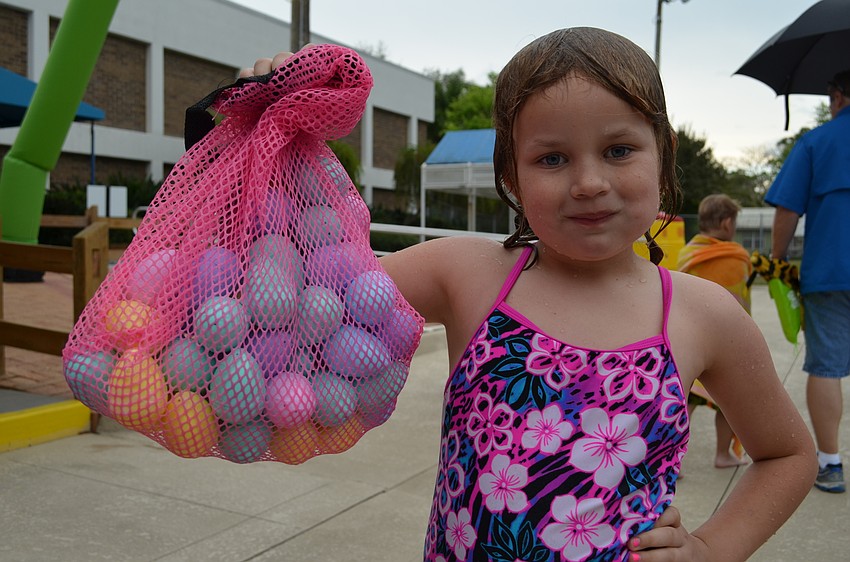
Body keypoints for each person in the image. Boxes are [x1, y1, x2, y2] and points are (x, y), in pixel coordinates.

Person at [242, 27, 816, 561]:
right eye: (552, 158)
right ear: (511, 175)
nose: (589, 182)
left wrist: (712, 550)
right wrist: (264, 135)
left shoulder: (702, 314)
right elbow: (297, 293)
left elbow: (788, 455)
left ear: (662, 151)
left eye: (618, 150)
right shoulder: (467, 273)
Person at [764, 69, 850, 495]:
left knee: (828, 366)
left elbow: (786, 209)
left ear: (837, 96)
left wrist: (778, 261)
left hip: (830, 271)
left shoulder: (817, 142)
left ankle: (831, 463)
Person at [677, 194, 752, 469]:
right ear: (726, 222)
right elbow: (739, 303)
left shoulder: (687, 252)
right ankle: (723, 454)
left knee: (684, 403)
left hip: (689, 342)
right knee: (727, 404)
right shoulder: (735, 257)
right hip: (724, 345)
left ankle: (674, 462)